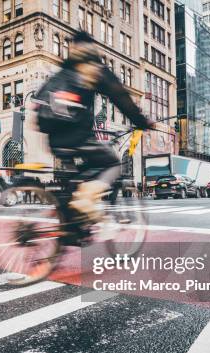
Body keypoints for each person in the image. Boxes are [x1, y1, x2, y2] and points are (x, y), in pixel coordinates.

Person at [36, 31, 153, 220]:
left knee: (78, 179)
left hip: (53, 139)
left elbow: (39, 101)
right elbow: (121, 98)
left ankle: (69, 227)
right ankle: (84, 203)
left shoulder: (63, 71)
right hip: (78, 137)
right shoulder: (93, 69)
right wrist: (141, 121)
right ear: (92, 47)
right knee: (113, 164)